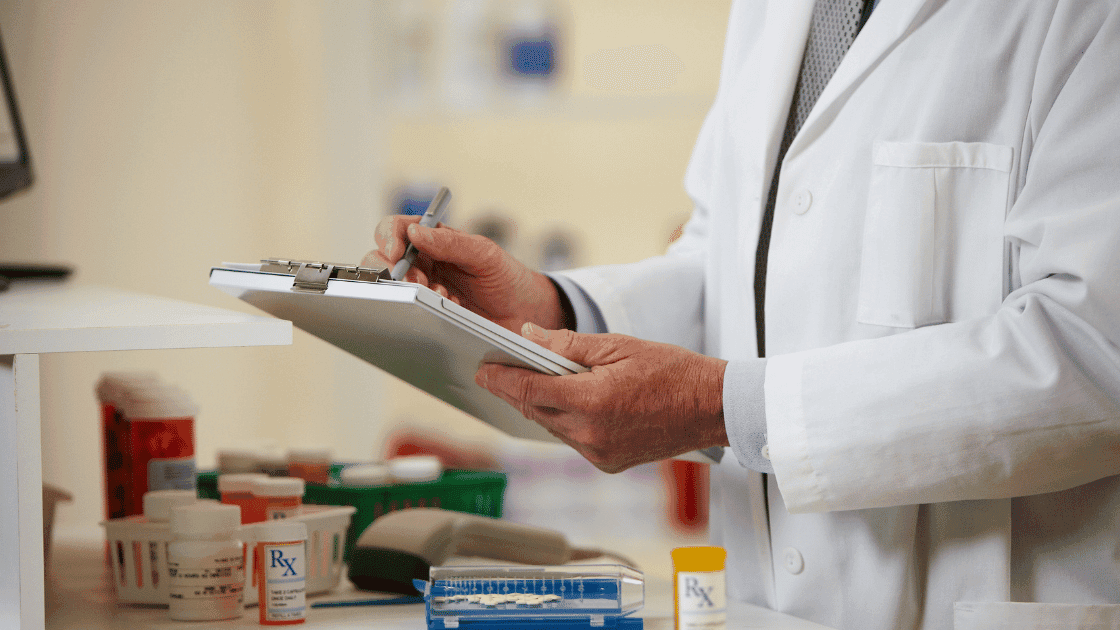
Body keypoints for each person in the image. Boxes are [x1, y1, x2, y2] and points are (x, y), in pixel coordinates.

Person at [364, 1, 1120, 628]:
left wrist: (723, 409)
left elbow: (1095, 350)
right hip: (762, 604)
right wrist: (556, 310)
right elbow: (731, 257)